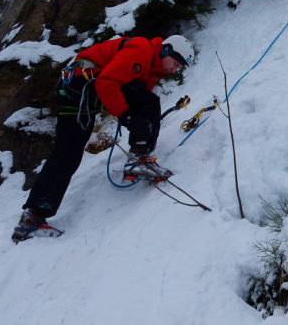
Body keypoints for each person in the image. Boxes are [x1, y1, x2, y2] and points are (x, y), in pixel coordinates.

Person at [12, 35, 194, 242]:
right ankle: (138, 159)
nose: (175, 69)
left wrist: (137, 123)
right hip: (82, 84)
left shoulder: (150, 69)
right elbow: (107, 82)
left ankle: (32, 218)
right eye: (176, 63)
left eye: (179, 67)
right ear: (166, 50)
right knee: (69, 150)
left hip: (77, 86)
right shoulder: (142, 50)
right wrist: (126, 116)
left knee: (68, 152)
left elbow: (139, 103)